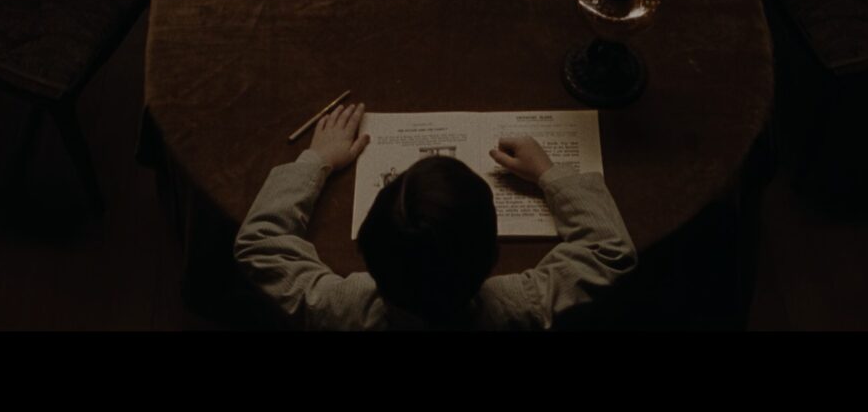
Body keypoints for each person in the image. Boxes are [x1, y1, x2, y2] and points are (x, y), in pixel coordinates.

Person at [234, 102, 637, 330]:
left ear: (370, 255)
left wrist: (315, 161)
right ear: (493, 254)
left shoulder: (343, 309)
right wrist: (552, 175)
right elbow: (608, 251)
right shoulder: (519, 309)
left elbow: (260, 244)